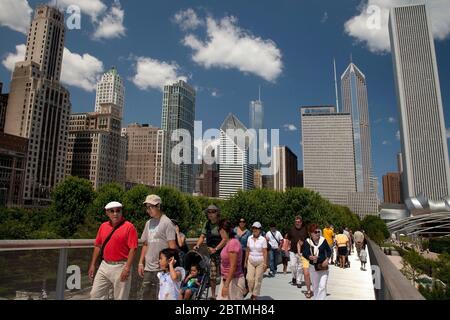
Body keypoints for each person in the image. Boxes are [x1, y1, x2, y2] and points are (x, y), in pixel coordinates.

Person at [89, 201, 138, 300]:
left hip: (121, 266)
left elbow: (133, 249)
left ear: (121, 212)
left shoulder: (129, 227)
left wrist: (127, 268)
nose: (115, 213)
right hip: (104, 265)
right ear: (107, 213)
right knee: (95, 295)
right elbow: (98, 245)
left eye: (118, 211)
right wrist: (93, 264)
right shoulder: (103, 226)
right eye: (112, 211)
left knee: (120, 297)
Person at [138, 195, 177, 300]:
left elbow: (172, 247)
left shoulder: (167, 223)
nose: (148, 210)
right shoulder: (148, 223)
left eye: (151, 207)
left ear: (158, 206)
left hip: (161, 269)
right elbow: (145, 244)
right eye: (147, 207)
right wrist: (141, 262)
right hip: (148, 268)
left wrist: (170, 267)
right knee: (145, 296)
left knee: (159, 296)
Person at [193, 205, 228, 299]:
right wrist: (197, 245)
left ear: (217, 213)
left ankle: (224, 294)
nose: (211, 214)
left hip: (222, 252)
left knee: (224, 274)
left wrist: (216, 249)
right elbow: (202, 236)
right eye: (209, 212)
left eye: (213, 212)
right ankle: (213, 295)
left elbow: (225, 239)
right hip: (211, 253)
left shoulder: (220, 224)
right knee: (212, 275)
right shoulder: (207, 224)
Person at [217, 219, 245, 300]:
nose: (219, 233)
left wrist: (226, 286)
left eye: (220, 230)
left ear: (224, 230)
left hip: (234, 281)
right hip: (227, 279)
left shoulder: (233, 243)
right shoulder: (228, 243)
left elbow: (233, 266)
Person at [303, 224, 331, 300]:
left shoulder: (323, 240)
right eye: (315, 232)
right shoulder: (307, 242)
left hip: (323, 267)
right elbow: (304, 253)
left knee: (322, 286)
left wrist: (327, 259)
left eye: (319, 231)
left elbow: (329, 251)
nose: (318, 233)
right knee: (315, 287)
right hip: (313, 267)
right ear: (311, 233)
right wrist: (310, 257)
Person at [287, 216, 311, 294]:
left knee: (300, 267)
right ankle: (294, 277)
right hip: (293, 251)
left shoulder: (305, 229)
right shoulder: (291, 229)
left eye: (298, 221)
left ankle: (299, 281)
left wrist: (304, 244)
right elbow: (288, 239)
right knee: (293, 266)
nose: (297, 223)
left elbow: (308, 240)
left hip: (302, 252)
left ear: (301, 222)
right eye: (296, 221)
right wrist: (287, 247)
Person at [244, 222, 268, 300]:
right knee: (249, 278)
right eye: (254, 228)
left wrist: (265, 264)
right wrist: (245, 261)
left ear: (260, 229)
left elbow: (265, 252)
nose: (255, 230)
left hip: (260, 261)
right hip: (250, 261)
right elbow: (247, 250)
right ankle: (250, 290)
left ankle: (254, 295)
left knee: (258, 279)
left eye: (257, 228)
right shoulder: (249, 238)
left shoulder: (263, 239)